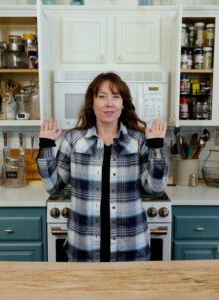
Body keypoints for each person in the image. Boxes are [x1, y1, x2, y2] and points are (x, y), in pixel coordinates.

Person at [36, 72, 168, 262]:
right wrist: (46, 147)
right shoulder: (74, 140)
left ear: (123, 103)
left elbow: (156, 189)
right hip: (83, 249)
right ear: (92, 102)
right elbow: (53, 186)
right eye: (102, 96)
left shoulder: (139, 141)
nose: (109, 103)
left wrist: (156, 146)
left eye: (116, 97)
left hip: (131, 249)